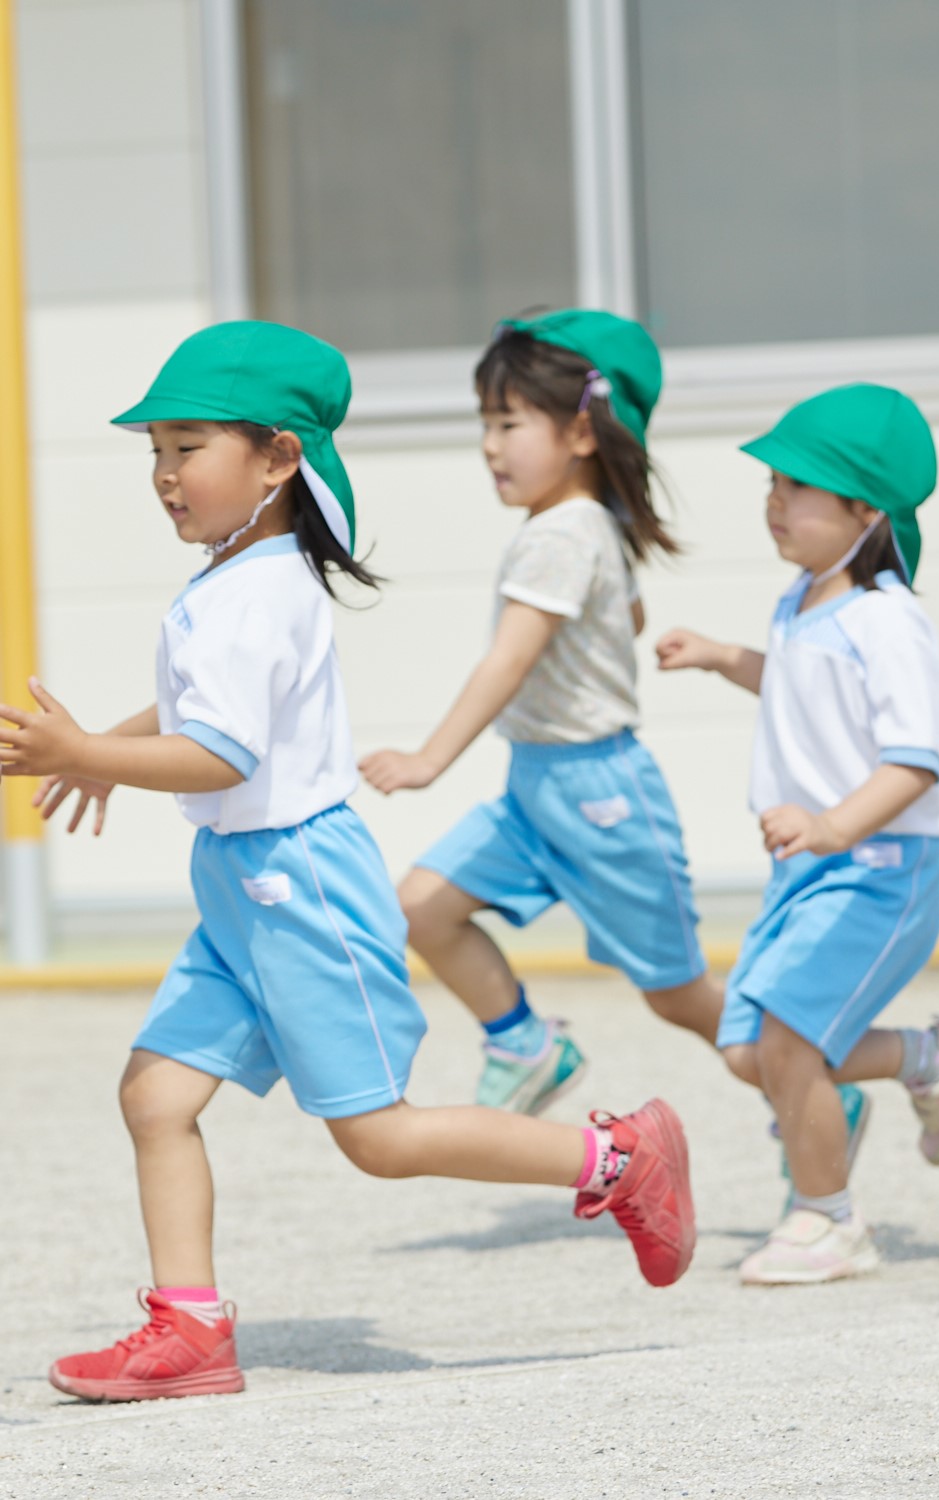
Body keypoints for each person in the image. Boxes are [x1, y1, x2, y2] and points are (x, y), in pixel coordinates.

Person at [0, 321, 694, 1402]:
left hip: (302, 889)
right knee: (154, 1097)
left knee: (377, 1137)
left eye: (188, 447)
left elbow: (220, 748)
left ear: (277, 459)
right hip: (241, 887)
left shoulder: (261, 587)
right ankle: (190, 1329)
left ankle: (618, 1159)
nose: (164, 475)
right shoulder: (236, 572)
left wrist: (91, 752)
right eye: (156, 452)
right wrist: (111, 749)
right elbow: (200, 710)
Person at [657, 385, 939, 1285]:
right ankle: (933, 1058)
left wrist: (831, 824)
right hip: (812, 872)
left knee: (786, 1044)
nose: (774, 502)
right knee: (746, 1051)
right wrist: (723, 657)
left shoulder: (890, 619)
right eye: (772, 483)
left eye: (797, 487)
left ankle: (830, 1221)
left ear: (866, 510)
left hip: (882, 868)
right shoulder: (803, 600)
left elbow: (917, 759)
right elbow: (800, 686)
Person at [360, 310, 724, 1113]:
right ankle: (527, 1043)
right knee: (420, 906)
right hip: (538, 788)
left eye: (509, 422)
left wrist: (427, 761)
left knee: (680, 995)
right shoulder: (587, 524)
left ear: (583, 433)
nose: (490, 444)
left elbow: (511, 658)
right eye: (485, 423)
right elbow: (620, 622)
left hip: (603, 800)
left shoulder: (562, 533)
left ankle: (812, 1088)